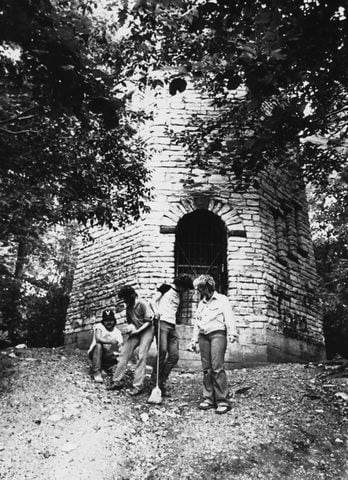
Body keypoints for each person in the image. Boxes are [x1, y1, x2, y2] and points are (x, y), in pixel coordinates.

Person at [188, 274, 238, 414]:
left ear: (207, 287)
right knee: (206, 369)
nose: (197, 291)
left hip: (217, 334)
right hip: (203, 336)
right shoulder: (201, 303)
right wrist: (194, 340)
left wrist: (232, 333)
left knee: (217, 367)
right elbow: (197, 323)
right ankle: (208, 398)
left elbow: (229, 317)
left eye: (199, 288)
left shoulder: (222, 299)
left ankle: (222, 401)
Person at [150, 274, 194, 396]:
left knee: (174, 356)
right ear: (180, 285)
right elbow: (152, 301)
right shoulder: (165, 288)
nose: (185, 291)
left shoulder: (179, 295)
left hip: (172, 326)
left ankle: (162, 382)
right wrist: (156, 312)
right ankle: (155, 383)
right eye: (185, 288)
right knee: (162, 351)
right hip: (161, 323)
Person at [108, 286, 154, 395]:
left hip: (147, 330)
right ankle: (117, 381)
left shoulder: (142, 303)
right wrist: (129, 329)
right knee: (124, 352)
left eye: (126, 298)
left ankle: (138, 386)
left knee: (141, 355)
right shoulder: (128, 308)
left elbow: (149, 321)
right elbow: (131, 323)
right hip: (136, 331)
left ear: (132, 296)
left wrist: (137, 331)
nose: (125, 301)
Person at [88, 309, 123, 383]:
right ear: (103, 321)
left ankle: (104, 369)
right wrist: (110, 341)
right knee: (99, 345)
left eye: (111, 320)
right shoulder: (99, 326)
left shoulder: (118, 332)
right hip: (95, 352)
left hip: (109, 356)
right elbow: (98, 339)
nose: (109, 322)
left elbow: (120, 348)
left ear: (114, 321)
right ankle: (96, 372)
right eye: (106, 320)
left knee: (119, 356)